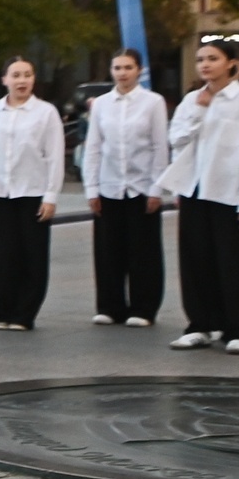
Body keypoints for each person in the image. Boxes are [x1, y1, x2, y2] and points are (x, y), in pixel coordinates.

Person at [161, 40, 239, 354]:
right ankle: (200, 325)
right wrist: (200, 108)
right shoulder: (192, 100)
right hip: (198, 191)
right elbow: (177, 139)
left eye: (213, 58)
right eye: (200, 59)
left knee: (236, 262)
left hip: (234, 194)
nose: (205, 64)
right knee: (197, 261)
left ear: (231, 63)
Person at [0, 57, 64, 331]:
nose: (22, 80)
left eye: (27, 75)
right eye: (16, 75)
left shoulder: (46, 113)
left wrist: (51, 196)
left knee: (31, 256)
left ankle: (24, 314)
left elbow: (54, 157)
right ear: (4, 80)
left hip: (32, 194)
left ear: (34, 79)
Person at [82, 48, 167, 327]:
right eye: (117, 67)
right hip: (109, 186)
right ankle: (110, 306)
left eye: (128, 67)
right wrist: (92, 188)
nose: (122, 73)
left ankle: (144, 308)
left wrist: (156, 187)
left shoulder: (153, 102)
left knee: (143, 251)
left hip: (141, 187)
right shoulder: (102, 104)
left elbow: (159, 147)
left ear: (139, 70)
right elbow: (93, 147)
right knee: (108, 250)